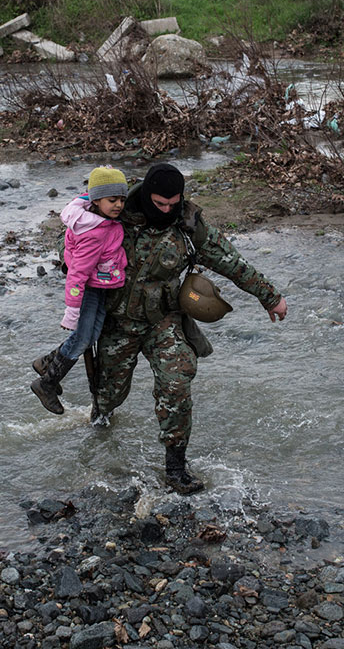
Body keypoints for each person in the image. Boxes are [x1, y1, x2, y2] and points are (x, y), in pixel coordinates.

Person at [92, 163, 288, 494]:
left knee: (177, 381)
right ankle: (100, 422)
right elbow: (70, 241)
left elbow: (232, 263)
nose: (167, 210)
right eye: (160, 204)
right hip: (117, 323)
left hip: (163, 321)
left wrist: (270, 298)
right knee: (109, 395)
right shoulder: (114, 213)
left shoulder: (189, 227)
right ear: (147, 196)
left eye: (173, 203)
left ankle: (176, 467)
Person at [30, 167, 130, 415]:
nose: (118, 205)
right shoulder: (93, 233)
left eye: (122, 199)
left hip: (98, 285)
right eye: (112, 200)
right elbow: (77, 273)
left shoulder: (97, 216)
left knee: (92, 334)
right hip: (87, 289)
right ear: (95, 200)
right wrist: (71, 312)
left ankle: (47, 362)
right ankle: (47, 383)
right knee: (83, 338)